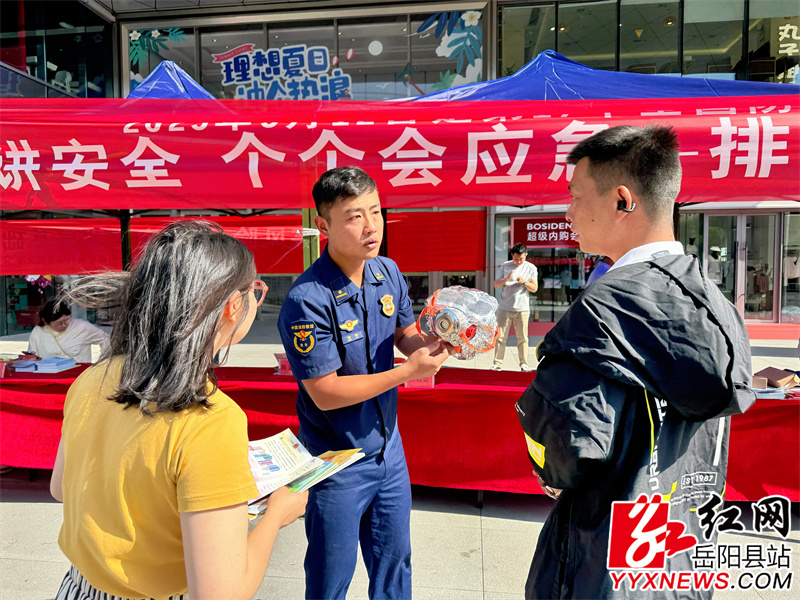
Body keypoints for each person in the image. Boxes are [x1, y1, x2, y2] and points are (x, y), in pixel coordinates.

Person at [516, 125, 755, 599]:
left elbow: (566, 449)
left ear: (623, 200)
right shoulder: (720, 306)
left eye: (575, 196)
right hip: (682, 553)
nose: (568, 212)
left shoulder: (603, 309)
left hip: (600, 560)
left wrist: (546, 467)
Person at [50, 221, 308, 600]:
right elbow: (221, 594)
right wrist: (276, 515)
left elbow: (60, 487)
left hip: (78, 588)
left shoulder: (94, 378)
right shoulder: (212, 421)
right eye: (256, 289)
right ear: (233, 306)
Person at [277, 166, 450, 600]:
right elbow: (326, 393)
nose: (371, 226)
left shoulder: (386, 271)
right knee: (330, 577)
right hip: (336, 461)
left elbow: (404, 333)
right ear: (323, 226)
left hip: (389, 453)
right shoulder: (307, 299)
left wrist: (435, 345)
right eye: (355, 216)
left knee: (395, 568)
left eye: (375, 211)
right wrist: (408, 373)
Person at [491, 243, 538, 372]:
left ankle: (524, 364)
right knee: (500, 337)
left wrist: (525, 282)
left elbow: (534, 288)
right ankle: (497, 363)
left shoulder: (531, 268)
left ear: (526, 255)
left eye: (521, 259)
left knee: (522, 338)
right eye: (516, 258)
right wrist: (507, 278)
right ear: (512, 255)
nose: (518, 261)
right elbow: (496, 284)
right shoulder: (505, 266)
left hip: (522, 308)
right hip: (504, 307)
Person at [26, 300, 109, 363]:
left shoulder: (83, 327)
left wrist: (103, 362)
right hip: (49, 374)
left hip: (78, 375)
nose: (64, 325)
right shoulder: (38, 331)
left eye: (67, 320)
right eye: (59, 324)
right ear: (45, 322)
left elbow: (105, 339)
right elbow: (32, 356)